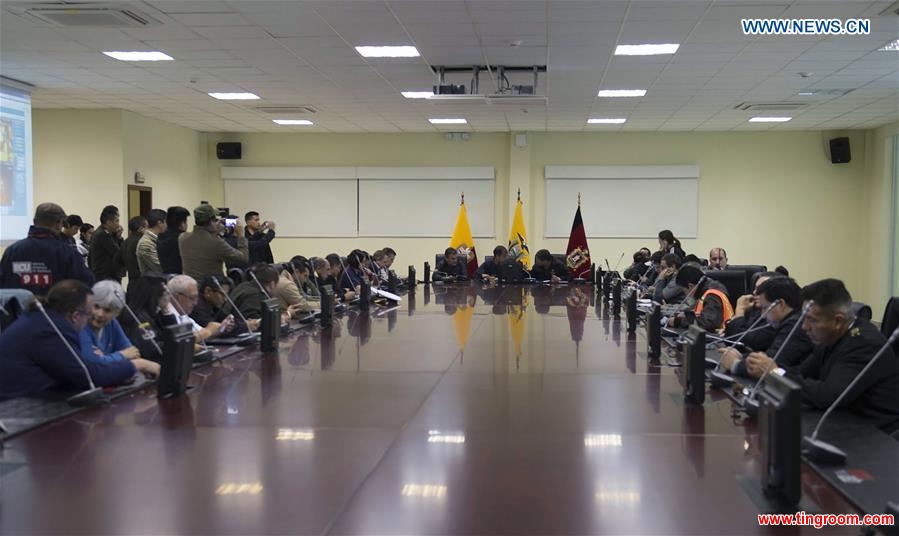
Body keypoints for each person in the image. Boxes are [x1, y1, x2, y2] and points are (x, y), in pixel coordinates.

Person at [746, 279, 899, 433]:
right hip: (840, 421)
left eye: (811, 319)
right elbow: (802, 373)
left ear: (838, 321)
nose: (804, 327)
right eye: (804, 318)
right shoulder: (831, 336)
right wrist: (774, 370)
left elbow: (828, 395)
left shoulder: (864, 344)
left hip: (875, 434)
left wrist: (773, 374)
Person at [0, 280, 153, 400]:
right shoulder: (50, 330)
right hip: (15, 411)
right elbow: (88, 374)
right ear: (75, 316)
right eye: (89, 313)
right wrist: (138, 364)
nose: (95, 316)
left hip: (31, 400)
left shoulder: (44, 320)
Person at [719, 277, 814, 377]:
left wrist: (736, 364)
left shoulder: (796, 325)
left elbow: (768, 365)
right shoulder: (788, 320)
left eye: (765, 308)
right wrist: (741, 357)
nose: (763, 315)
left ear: (780, 304)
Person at [0, 203, 95, 295]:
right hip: (56, 310)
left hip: (18, 310)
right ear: (59, 224)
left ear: (34, 221)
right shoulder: (67, 253)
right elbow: (87, 285)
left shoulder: (12, 251)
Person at [79, 281, 159, 375]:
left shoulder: (112, 323)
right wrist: (122, 355)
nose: (100, 314)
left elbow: (133, 353)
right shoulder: (80, 325)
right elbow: (92, 364)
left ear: (117, 313)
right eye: (96, 306)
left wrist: (106, 358)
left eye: (107, 310)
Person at [118, 273, 177, 363]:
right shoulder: (139, 318)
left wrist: (166, 312)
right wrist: (177, 345)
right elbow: (151, 349)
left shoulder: (155, 314)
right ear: (155, 296)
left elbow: (175, 335)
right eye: (166, 293)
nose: (169, 296)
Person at [179, 204, 248, 280]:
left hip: (190, 285)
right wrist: (241, 236)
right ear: (211, 222)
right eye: (215, 220)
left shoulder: (182, 238)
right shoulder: (216, 242)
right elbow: (243, 258)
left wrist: (214, 233)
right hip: (212, 287)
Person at [166, 274, 233, 342]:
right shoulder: (166, 315)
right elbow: (182, 341)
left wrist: (221, 328)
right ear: (179, 298)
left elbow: (200, 332)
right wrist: (209, 330)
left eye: (196, 298)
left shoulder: (183, 315)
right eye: (192, 298)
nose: (195, 303)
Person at [673, 265, 733, 331]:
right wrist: (687, 315)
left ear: (690, 286)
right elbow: (700, 314)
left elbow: (707, 323)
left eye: (684, 291)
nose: (685, 294)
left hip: (718, 337)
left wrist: (678, 322)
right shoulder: (704, 292)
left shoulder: (712, 295)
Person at [230, 264, 296, 322]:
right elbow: (253, 321)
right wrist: (287, 314)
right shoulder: (256, 295)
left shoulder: (243, 286)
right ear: (272, 284)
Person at [89, 205, 124, 282]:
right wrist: (119, 238)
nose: (118, 225)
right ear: (108, 222)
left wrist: (118, 237)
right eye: (116, 221)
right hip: (105, 277)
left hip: (106, 276)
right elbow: (118, 253)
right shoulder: (103, 234)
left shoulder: (105, 233)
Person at [157, 206, 190, 274]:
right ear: (182, 223)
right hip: (180, 277)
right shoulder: (183, 238)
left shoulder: (160, 236)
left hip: (165, 275)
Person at [136, 208, 166, 275]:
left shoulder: (157, 239)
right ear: (159, 223)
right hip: (153, 283)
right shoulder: (146, 244)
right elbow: (160, 267)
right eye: (166, 222)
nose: (167, 225)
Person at [121, 215, 147, 291]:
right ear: (140, 229)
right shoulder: (141, 242)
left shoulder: (126, 241)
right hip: (142, 282)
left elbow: (118, 261)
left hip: (131, 281)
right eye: (147, 227)